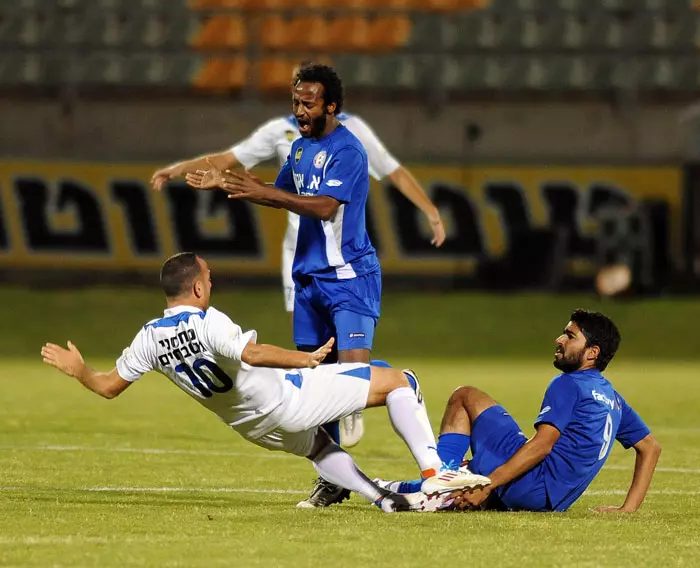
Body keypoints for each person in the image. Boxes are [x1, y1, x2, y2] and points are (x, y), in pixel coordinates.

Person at [40, 252, 490, 514]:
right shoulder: (206, 320)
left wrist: (80, 370)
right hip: (289, 398)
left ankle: (384, 501)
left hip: (250, 428)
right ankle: (436, 476)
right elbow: (250, 353)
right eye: (208, 277)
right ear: (196, 288)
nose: (211, 282)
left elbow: (107, 386)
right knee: (400, 381)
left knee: (319, 448)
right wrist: (306, 359)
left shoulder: (148, 338)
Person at [183, 63, 403, 508]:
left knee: (351, 374)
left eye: (308, 103)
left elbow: (322, 207)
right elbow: (275, 190)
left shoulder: (349, 151)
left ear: (332, 105)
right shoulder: (300, 150)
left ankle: (393, 394)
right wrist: (225, 181)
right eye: (295, 102)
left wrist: (264, 193)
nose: (299, 110)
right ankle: (335, 479)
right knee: (314, 376)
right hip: (307, 279)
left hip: (348, 276)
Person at [377, 309, 661, 513]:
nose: (558, 340)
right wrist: (628, 509)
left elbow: (542, 446)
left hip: (532, 485)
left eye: (569, 336)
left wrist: (488, 485)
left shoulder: (570, 384)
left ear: (592, 353)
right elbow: (651, 447)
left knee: (465, 397)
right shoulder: (613, 399)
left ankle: (438, 484)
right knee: (475, 468)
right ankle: (404, 487)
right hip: (554, 501)